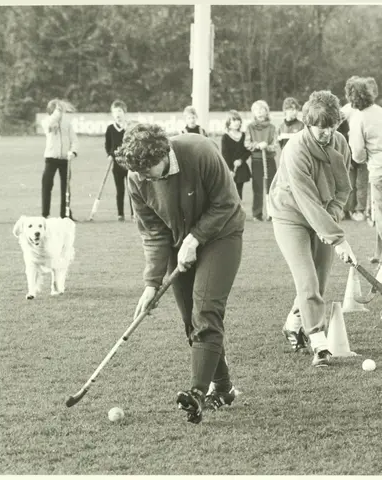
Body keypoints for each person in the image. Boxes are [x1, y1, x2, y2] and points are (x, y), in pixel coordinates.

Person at [115, 123, 245, 424]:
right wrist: (151, 283)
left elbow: (227, 203)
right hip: (179, 241)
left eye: (149, 170)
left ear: (165, 153)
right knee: (190, 320)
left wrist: (196, 237)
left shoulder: (200, 152)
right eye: (139, 172)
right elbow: (154, 232)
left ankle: (197, 395)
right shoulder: (136, 177)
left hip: (222, 235)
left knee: (206, 309)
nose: (145, 177)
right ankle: (224, 387)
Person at [267, 90, 356, 367]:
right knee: (306, 279)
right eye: (320, 126)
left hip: (322, 214)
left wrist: (332, 214)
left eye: (332, 126)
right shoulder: (295, 149)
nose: (327, 132)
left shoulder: (340, 143)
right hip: (290, 216)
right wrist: (337, 238)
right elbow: (305, 200)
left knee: (320, 279)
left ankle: (293, 324)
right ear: (308, 123)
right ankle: (319, 342)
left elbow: (343, 188)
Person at [345, 76, 382, 269]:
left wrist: (364, 157)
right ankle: (379, 253)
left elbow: (356, 154)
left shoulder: (358, 119)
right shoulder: (381, 112)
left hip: (379, 170)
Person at [41, 98, 78, 219]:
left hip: (65, 159)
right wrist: (57, 112)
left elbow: (74, 140)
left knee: (65, 188)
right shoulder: (47, 121)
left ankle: (65, 214)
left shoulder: (67, 124)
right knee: (47, 185)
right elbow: (49, 125)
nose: (61, 113)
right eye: (58, 110)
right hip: (51, 158)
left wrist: (73, 152)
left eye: (61, 110)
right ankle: (45, 214)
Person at [244, 99, 278, 221]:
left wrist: (267, 146)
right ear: (253, 112)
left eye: (262, 109)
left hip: (269, 159)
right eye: (257, 110)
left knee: (271, 187)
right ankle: (257, 214)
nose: (259, 112)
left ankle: (272, 213)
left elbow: (275, 145)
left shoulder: (272, 127)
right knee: (257, 187)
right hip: (257, 160)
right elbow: (247, 143)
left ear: (266, 111)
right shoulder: (250, 127)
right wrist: (257, 145)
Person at [104, 100, 131, 221]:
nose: (118, 114)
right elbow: (108, 145)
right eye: (115, 112)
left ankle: (134, 213)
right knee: (120, 190)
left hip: (130, 164)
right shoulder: (110, 129)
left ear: (124, 112)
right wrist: (109, 154)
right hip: (117, 164)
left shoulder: (130, 127)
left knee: (132, 190)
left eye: (119, 111)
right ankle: (120, 214)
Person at [220, 110, 251, 199]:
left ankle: (239, 209)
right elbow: (225, 155)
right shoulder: (225, 137)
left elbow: (248, 151)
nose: (236, 122)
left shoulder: (244, 135)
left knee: (239, 192)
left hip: (241, 168)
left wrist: (241, 160)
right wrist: (230, 169)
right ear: (228, 123)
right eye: (233, 120)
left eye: (238, 120)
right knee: (230, 193)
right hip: (230, 169)